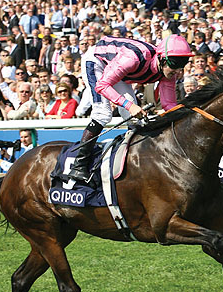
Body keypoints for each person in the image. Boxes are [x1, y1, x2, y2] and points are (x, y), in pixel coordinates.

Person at [68, 34, 194, 183]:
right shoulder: (134, 58)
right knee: (103, 113)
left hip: (118, 67)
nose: (177, 71)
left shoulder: (168, 72)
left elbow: (169, 106)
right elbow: (102, 85)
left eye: (182, 64)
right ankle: (78, 165)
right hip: (97, 61)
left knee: (134, 117)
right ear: (161, 58)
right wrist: (129, 105)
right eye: (174, 64)